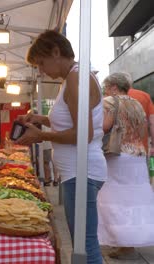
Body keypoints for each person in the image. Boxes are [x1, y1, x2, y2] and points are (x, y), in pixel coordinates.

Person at [16, 30, 106, 264]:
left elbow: (82, 134)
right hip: (76, 172)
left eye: (41, 63)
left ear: (56, 52)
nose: (41, 70)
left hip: (81, 172)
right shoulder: (72, 78)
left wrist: (41, 136)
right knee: (84, 244)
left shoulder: (76, 77)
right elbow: (71, 122)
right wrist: (40, 118)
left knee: (85, 248)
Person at [97, 73, 154, 259]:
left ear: (114, 86)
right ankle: (128, 244)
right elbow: (145, 128)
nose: (105, 90)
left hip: (118, 156)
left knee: (115, 200)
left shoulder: (109, 102)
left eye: (106, 87)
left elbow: (104, 126)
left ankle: (123, 244)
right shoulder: (137, 104)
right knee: (134, 201)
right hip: (137, 156)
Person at [122, 73, 154, 157]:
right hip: (141, 149)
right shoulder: (144, 96)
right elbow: (152, 122)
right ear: (130, 82)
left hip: (118, 150)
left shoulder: (111, 97)